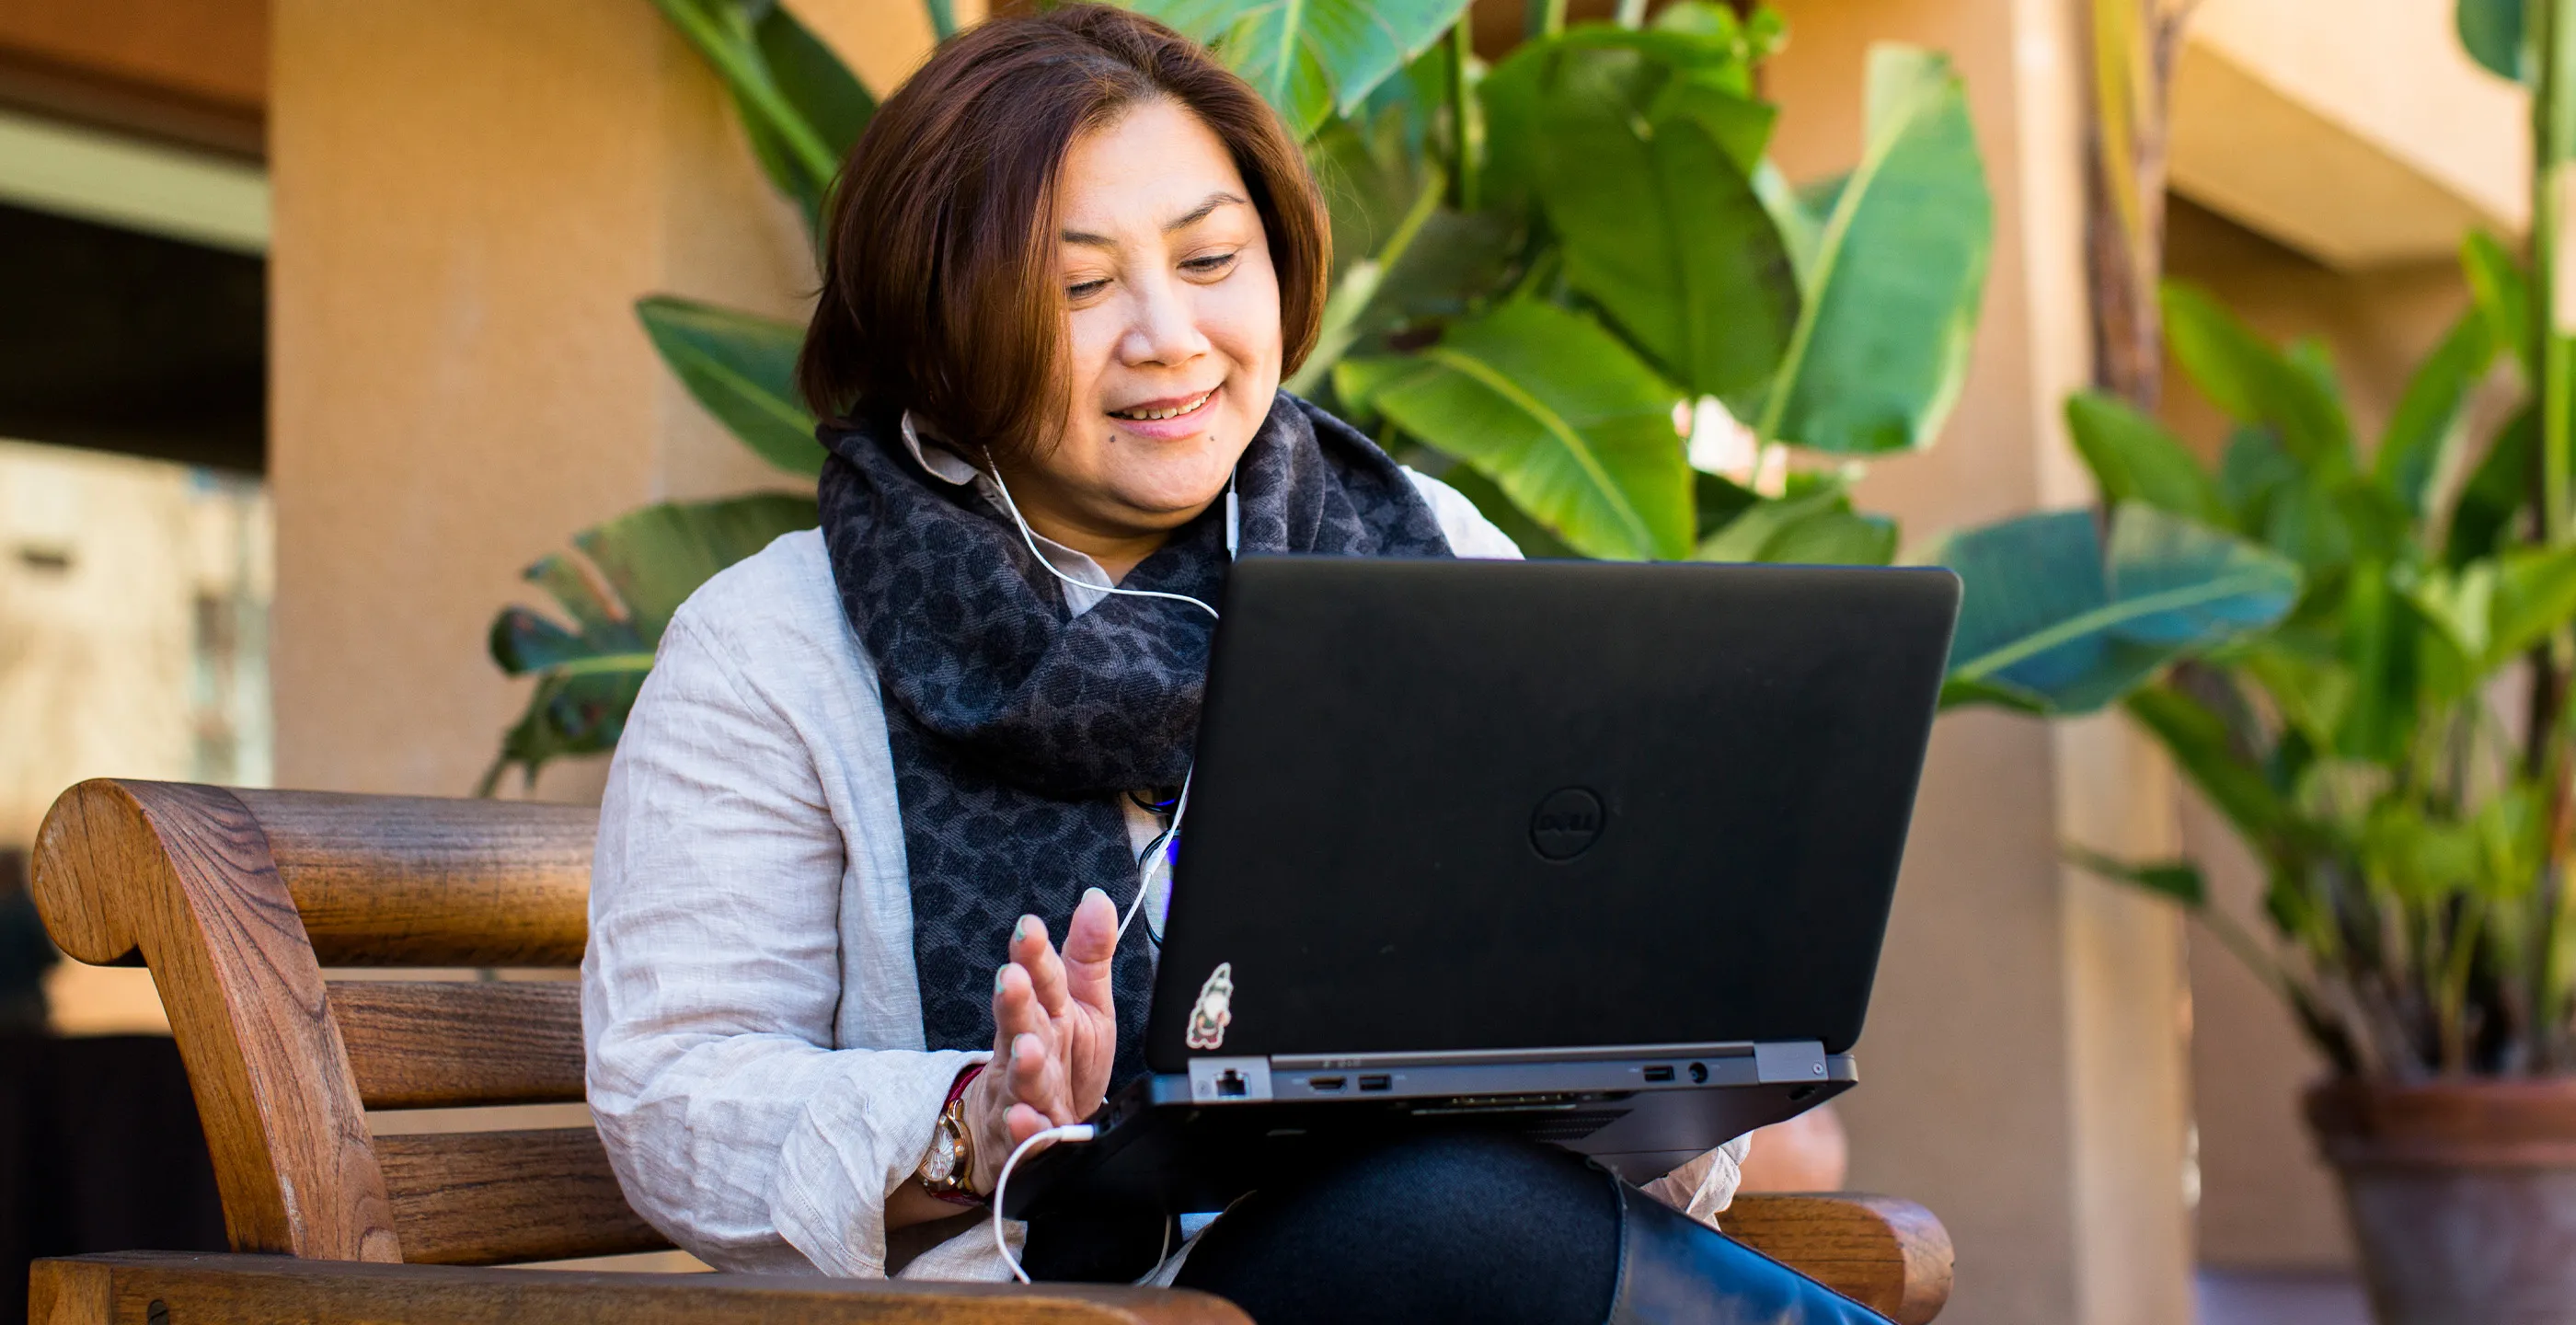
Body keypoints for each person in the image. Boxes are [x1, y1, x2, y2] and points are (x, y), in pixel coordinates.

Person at [581, 6, 1880, 1321]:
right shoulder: (775, 648)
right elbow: (674, 1092)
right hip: (1065, 1309)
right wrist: (974, 1120)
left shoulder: (1426, 549)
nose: (1169, 335)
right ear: (935, 324)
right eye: (1079, 288)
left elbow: (1597, 943)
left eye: (1210, 259)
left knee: (1447, 1210)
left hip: (1459, 1255)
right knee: (1440, 1216)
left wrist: (1650, 1014)